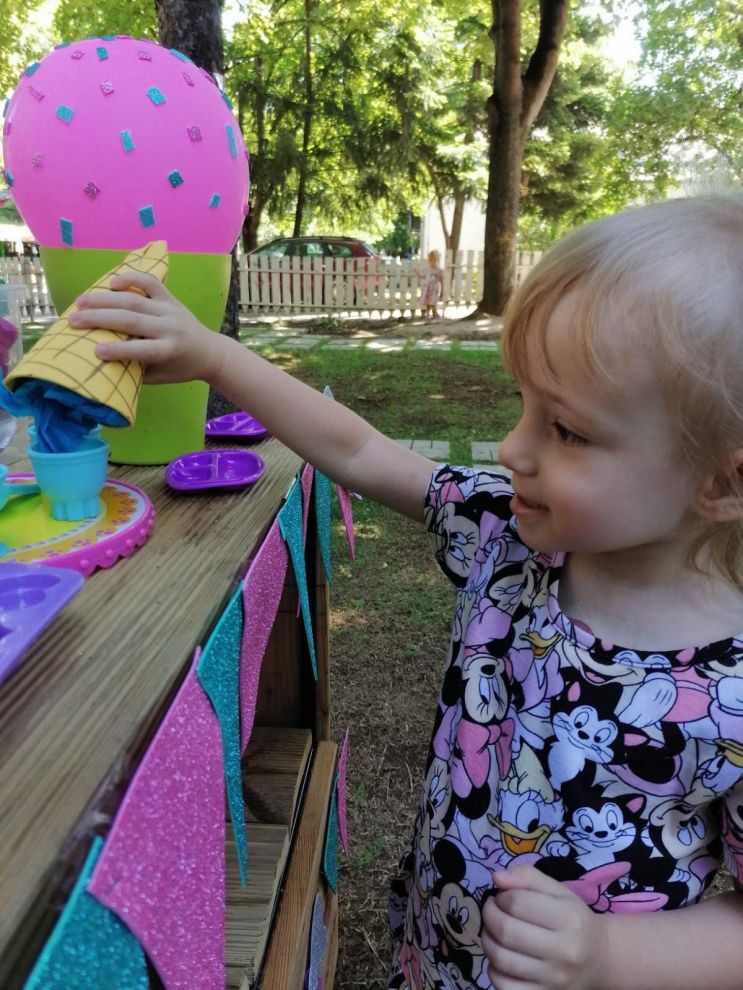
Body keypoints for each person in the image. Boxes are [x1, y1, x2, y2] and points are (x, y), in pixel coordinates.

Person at [70, 195, 743, 990]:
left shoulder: (729, 686)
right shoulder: (511, 537)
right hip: (436, 952)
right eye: (523, 406)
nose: (511, 448)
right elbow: (359, 450)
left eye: (567, 430)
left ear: (722, 482)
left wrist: (608, 957)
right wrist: (215, 357)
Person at [419, 248, 444, 322]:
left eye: (436, 260)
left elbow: (441, 280)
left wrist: (442, 289)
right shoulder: (428, 269)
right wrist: (416, 272)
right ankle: (428, 315)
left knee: (433, 302)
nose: (434, 262)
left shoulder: (439, 270)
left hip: (434, 289)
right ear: (429, 261)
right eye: (433, 261)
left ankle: (435, 314)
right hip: (427, 289)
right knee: (428, 302)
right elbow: (423, 276)